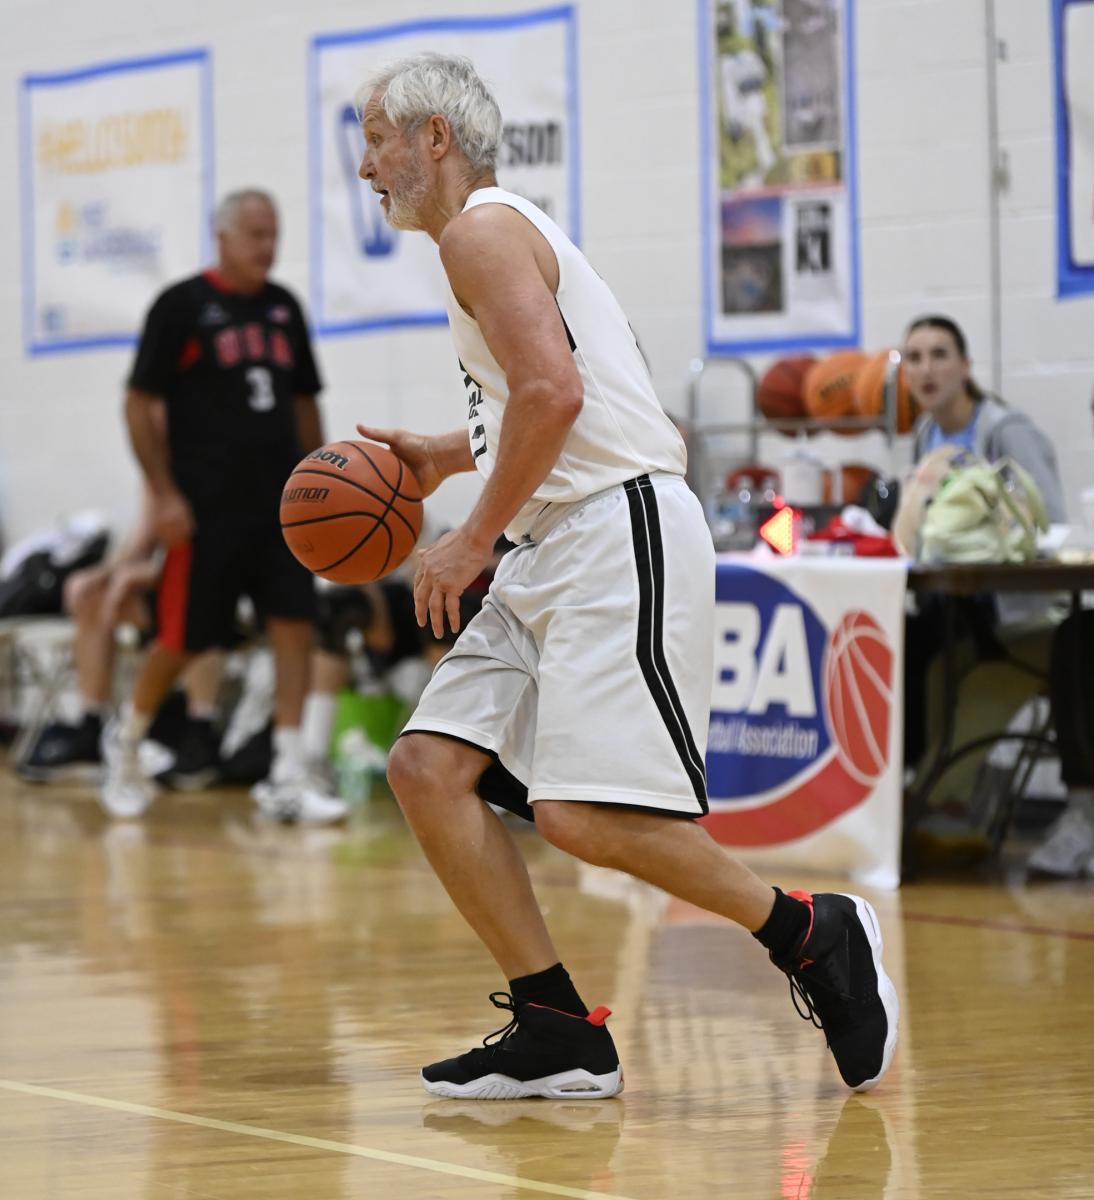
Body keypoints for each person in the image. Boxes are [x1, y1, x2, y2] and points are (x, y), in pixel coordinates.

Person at [352, 53, 898, 1099]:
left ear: (434, 138)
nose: (367, 167)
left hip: (615, 530)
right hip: (554, 541)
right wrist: (444, 453)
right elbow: (563, 394)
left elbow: (553, 396)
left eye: (377, 139)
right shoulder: (496, 236)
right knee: (427, 769)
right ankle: (556, 1023)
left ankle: (810, 931)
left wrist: (469, 538)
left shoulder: (480, 233)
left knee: (582, 816)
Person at [102, 188, 346, 824]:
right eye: (257, 234)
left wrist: (320, 484)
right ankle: (126, 745)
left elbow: (304, 400)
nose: (269, 246)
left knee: (295, 628)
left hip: (282, 507)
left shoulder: (284, 308)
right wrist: (164, 494)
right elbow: (137, 403)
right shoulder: (181, 306)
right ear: (224, 237)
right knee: (182, 639)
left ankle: (288, 773)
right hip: (205, 509)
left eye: (275, 234)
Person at [899, 315, 1068, 772]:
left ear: (965, 366)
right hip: (954, 606)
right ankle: (914, 783)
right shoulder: (925, 436)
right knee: (906, 647)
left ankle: (935, 788)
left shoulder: (1004, 431)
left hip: (1013, 611)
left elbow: (1050, 526)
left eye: (939, 355)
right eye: (914, 358)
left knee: (932, 660)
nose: (926, 369)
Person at [17, 486, 224, 787]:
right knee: (92, 596)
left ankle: (199, 730)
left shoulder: (215, 471)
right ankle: (91, 724)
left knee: (196, 604)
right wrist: (102, 575)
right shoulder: (159, 475)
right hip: (166, 585)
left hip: (218, 586)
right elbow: (139, 547)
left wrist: (143, 575)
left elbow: (221, 561)